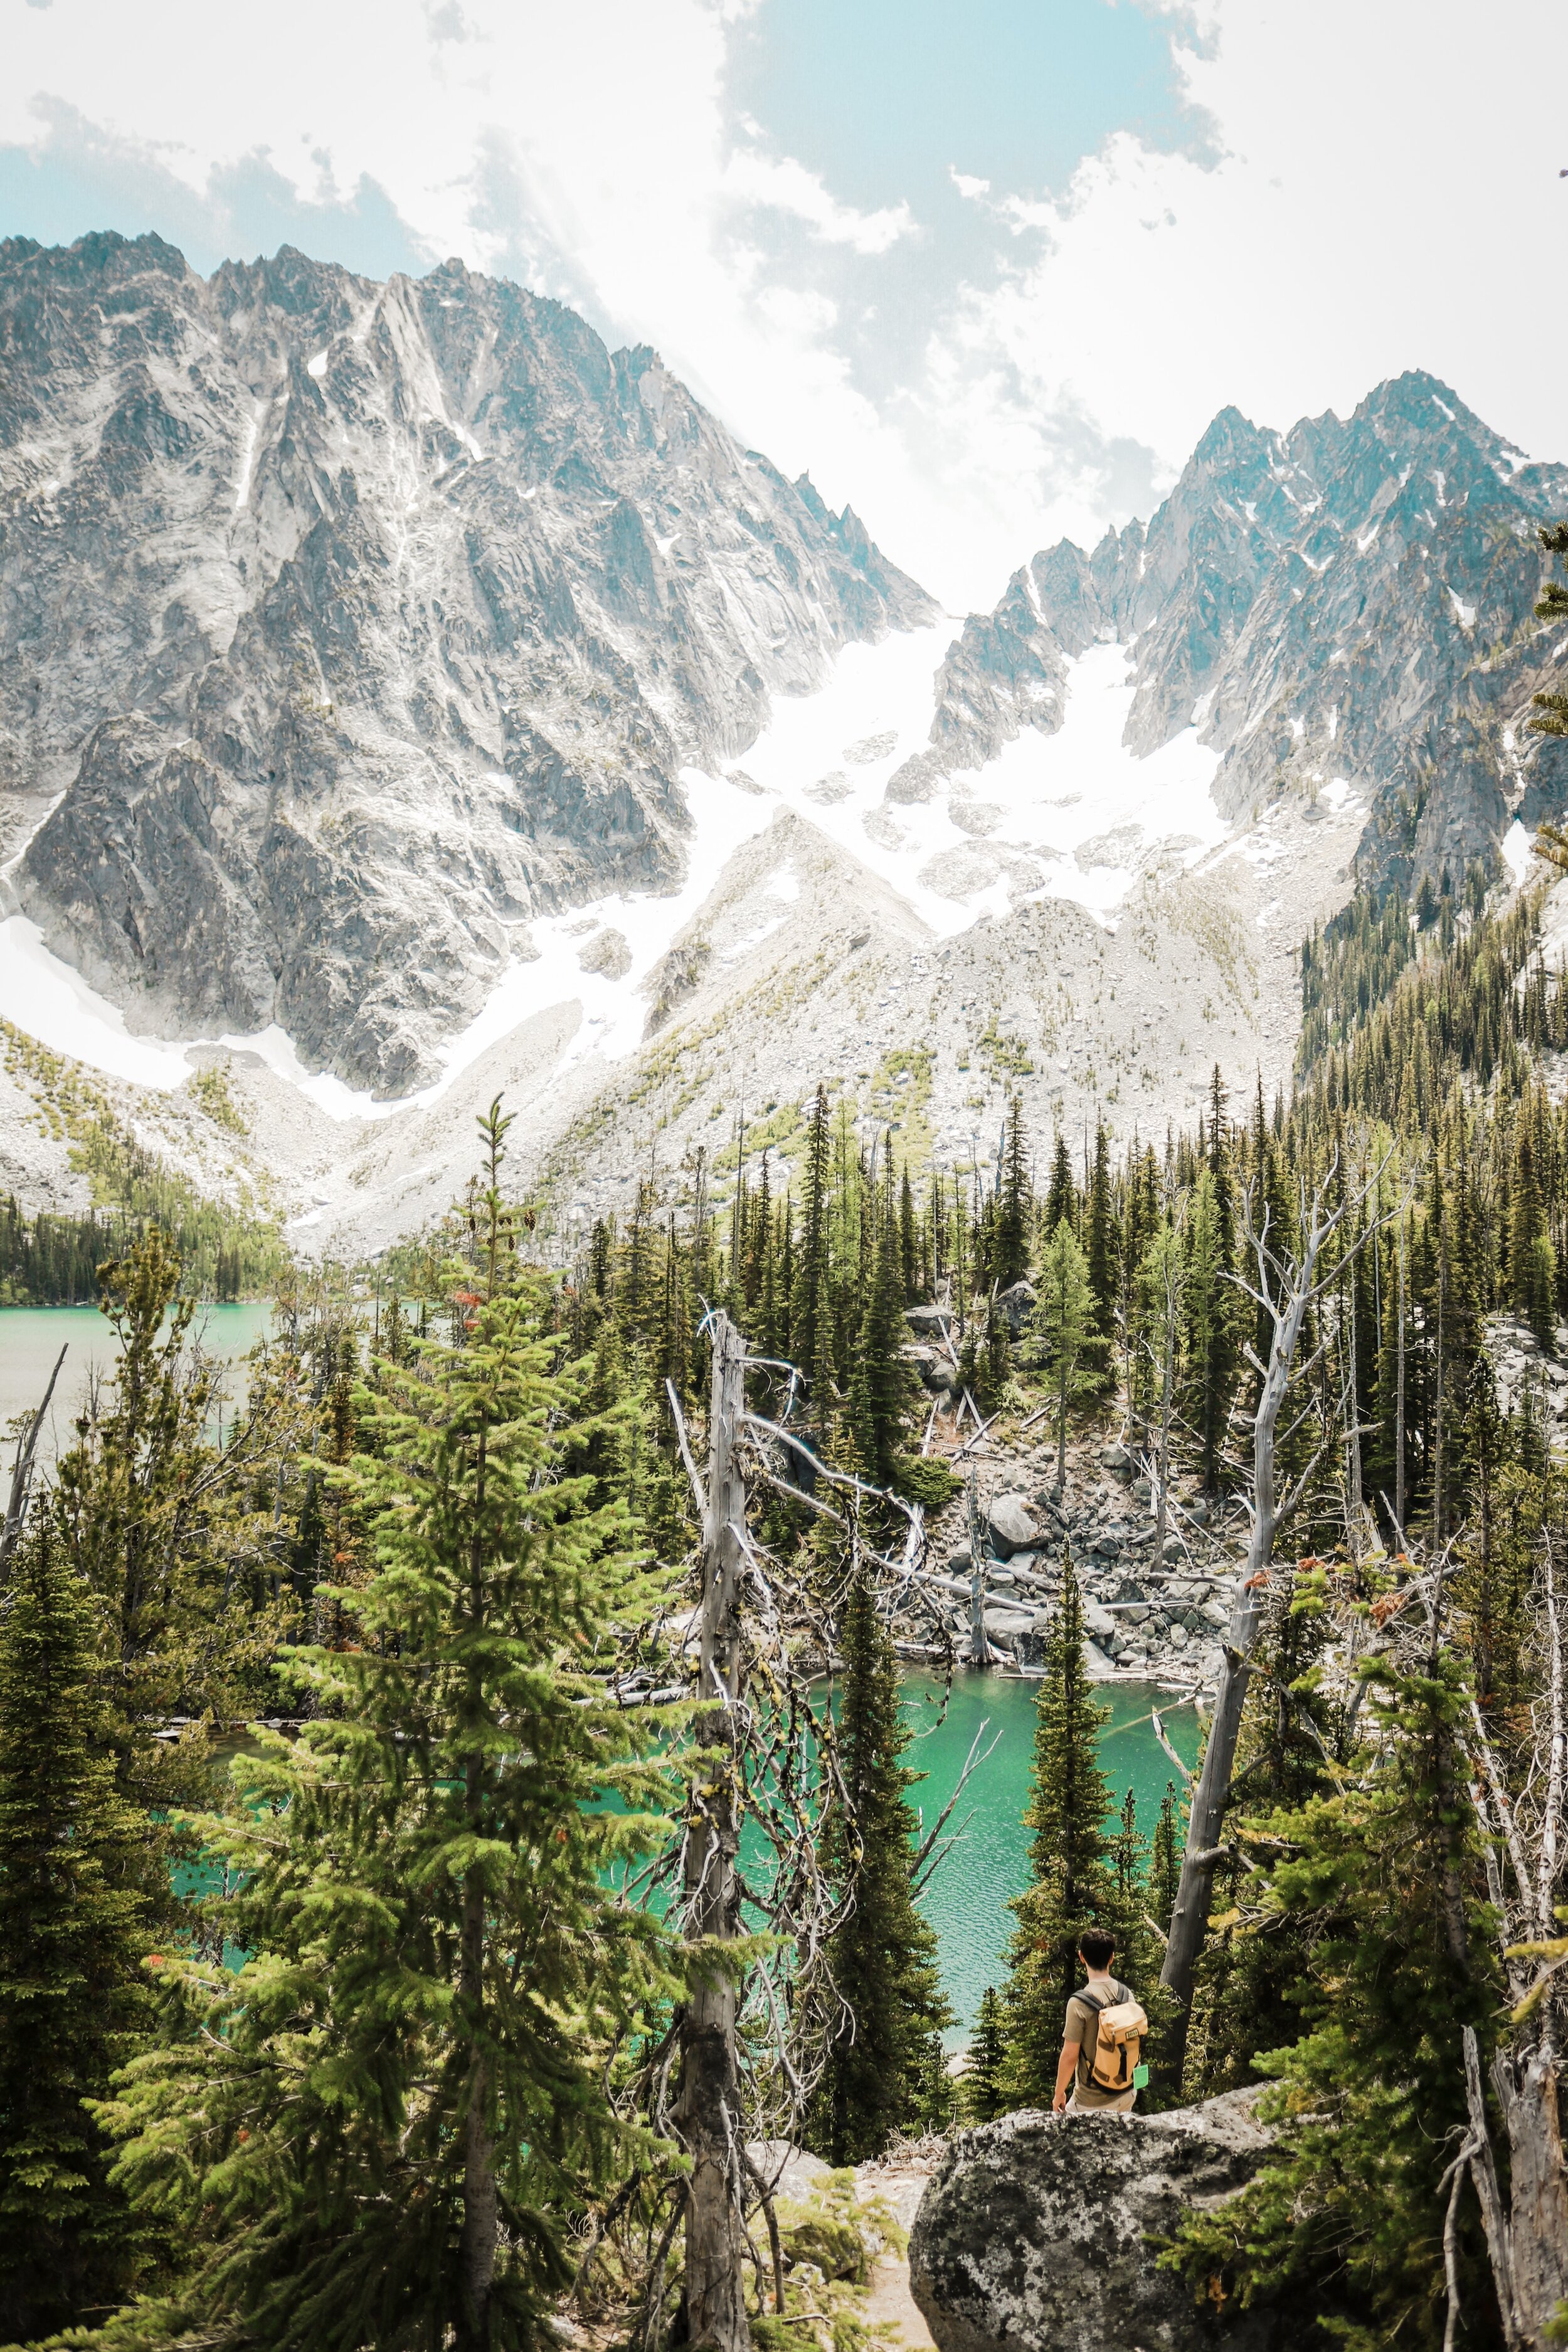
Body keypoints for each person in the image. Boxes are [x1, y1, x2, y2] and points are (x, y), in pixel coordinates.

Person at [1051, 1928, 1140, 2114]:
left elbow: (1069, 2056)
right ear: (1112, 1958)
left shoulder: (1078, 2003)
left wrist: (1059, 2094)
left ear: (1081, 1957)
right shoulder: (1126, 1994)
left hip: (1090, 2103)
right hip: (1128, 2093)